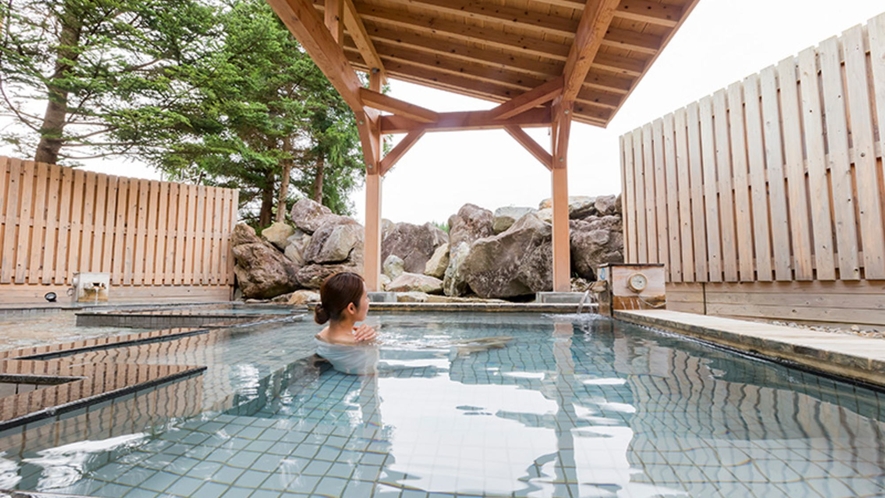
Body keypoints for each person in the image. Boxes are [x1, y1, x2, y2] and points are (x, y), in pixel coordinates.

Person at [314, 272, 379, 374]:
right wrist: (373, 342)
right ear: (351, 308)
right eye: (366, 297)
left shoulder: (323, 333)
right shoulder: (356, 343)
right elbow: (370, 373)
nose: (368, 300)